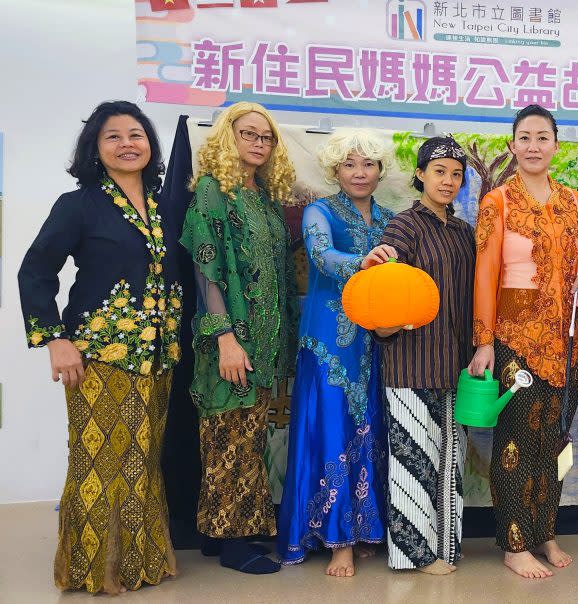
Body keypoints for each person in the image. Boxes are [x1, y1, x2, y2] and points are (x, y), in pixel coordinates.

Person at [19, 100, 183, 594]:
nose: (127, 144)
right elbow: (35, 271)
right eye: (113, 136)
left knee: (143, 460)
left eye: (136, 134)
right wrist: (55, 340)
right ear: (95, 147)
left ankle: (138, 564)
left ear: (150, 145)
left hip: (158, 357)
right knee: (99, 460)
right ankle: (91, 569)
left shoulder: (167, 204)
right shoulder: (79, 205)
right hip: (98, 356)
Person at [468, 104, 578, 579]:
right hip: (515, 337)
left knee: (555, 439)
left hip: (568, 338)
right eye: (525, 137)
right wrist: (484, 341)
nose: (534, 146)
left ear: (556, 145)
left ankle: (544, 531)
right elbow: (485, 274)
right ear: (512, 145)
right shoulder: (497, 202)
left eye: (543, 137)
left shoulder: (574, 202)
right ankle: (514, 542)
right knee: (517, 441)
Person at [180, 102, 298, 575]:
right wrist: (225, 337)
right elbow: (205, 267)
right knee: (229, 438)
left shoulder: (266, 200)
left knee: (247, 438)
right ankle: (234, 546)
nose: (258, 143)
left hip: (265, 345)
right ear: (228, 137)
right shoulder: (214, 190)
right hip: (231, 341)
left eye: (266, 137)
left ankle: (219, 533)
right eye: (249, 134)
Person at [277, 129, 396, 576]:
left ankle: (366, 528)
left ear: (380, 170)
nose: (359, 173)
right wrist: (360, 263)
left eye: (368, 164)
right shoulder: (319, 211)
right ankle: (337, 539)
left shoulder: (390, 219)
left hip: (377, 336)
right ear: (335, 170)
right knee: (331, 426)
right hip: (329, 337)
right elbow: (321, 256)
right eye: (349, 164)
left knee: (370, 426)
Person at [374, 136, 476, 575]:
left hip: (456, 364)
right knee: (413, 461)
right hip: (410, 363)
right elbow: (386, 276)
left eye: (456, 174)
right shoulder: (404, 226)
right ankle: (414, 555)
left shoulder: (464, 232)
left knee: (451, 462)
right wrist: (379, 264)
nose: (448, 181)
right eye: (439, 172)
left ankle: (445, 548)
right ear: (420, 175)